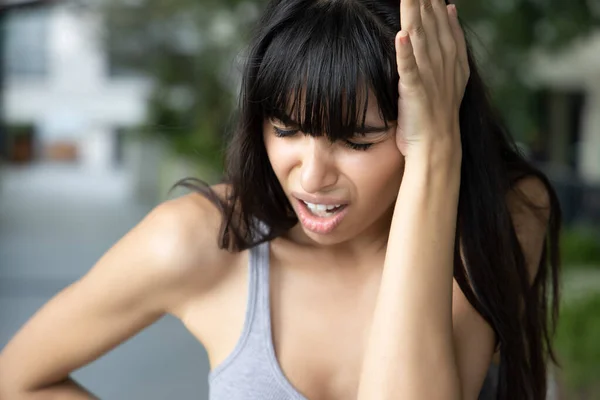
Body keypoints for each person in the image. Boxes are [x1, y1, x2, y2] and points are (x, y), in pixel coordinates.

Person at [0, 0, 561, 399]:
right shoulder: (203, 241)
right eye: (287, 130)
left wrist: (438, 151)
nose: (311, 178)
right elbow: (16, 378)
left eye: (357, 140)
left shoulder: (508, 214)